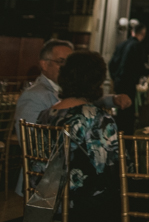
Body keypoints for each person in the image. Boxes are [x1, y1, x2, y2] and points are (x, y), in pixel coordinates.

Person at [13, 39, 131, 195]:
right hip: (54, 192)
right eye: (62, 62)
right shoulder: (34, 96)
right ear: (44, 64)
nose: (65, 68)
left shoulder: (49, 112)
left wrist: (113, 99)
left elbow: (80, 102)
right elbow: (31, 146)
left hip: (47, 190)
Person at [37, 51, 120, 220]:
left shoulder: (46, 114)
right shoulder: (98, 118)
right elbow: (110, 165)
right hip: (80, 203)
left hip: (44, 197)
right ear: (96, 82)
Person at [109, 25, 148, 134]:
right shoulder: (137, 46)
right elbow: (139, 67)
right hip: (129, 82)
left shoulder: (121, 45)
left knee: (120, 110)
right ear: (143, 34)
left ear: (132, 32)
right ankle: (125, 139)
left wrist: (115, 77)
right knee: (127, 112)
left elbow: (111, 64)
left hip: (118, 82)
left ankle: (117, 134)